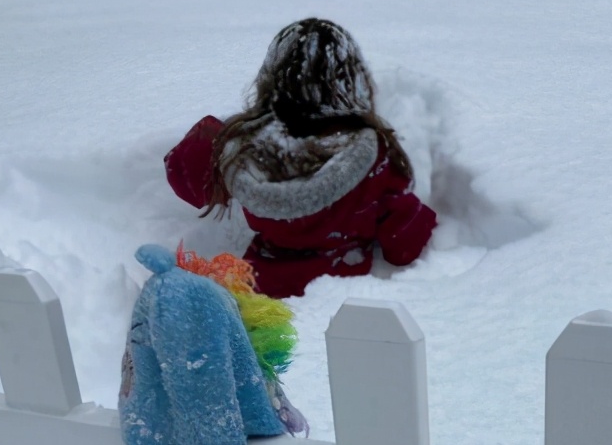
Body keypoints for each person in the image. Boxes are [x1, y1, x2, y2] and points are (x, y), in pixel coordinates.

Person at [164, 18, 438, 298]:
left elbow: (183, 172)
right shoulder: (373, 158)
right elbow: (404, 246)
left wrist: (223, 137)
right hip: (341, 294)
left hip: (258, 292)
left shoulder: (247, 148)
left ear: (271, 80)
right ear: (351, 83)